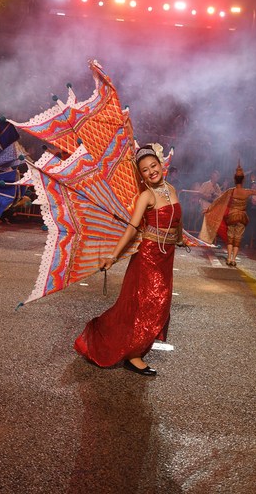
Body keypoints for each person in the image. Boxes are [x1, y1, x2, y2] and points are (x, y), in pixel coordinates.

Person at [74, 144, 184, 377]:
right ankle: (130, 354)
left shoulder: (171, 189)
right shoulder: (147, 195)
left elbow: (176, 219)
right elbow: (133, 228)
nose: (151, 171)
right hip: (148, 258)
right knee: (145, 305)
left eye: (153, 166)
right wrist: (113, 256)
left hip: (166, 257)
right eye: (145, 170)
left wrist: (181, 238)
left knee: (160, 304)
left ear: (161, 165)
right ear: (141, 175)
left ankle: (136, 350)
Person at [199, 163, 256, 266]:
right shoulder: (247, 192)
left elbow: (218, 201)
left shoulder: (231, 191)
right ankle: (233, 259)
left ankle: (229, 258)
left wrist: (209, 209)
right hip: (241, 218)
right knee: (237, 239)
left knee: (230, 238)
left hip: (232, 217)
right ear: (243, 181)